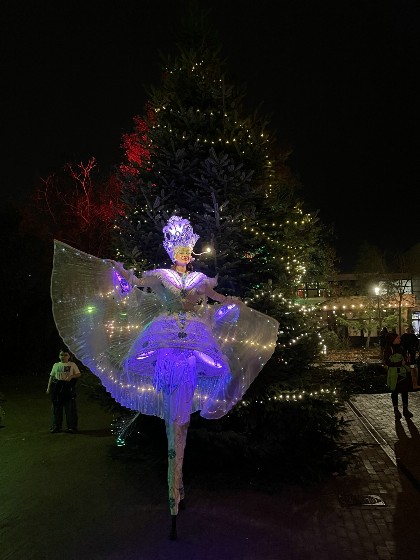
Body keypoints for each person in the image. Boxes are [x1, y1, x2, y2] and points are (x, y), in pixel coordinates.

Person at [50, 215, 279, 540]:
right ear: (172, 251)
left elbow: (220, 301)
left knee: (181, 419)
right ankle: (175, 488)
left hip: (196, 343)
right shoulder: (160, 276)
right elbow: (135, 282)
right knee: (176, 418)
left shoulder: (201, 279)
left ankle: (177, 486)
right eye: (179, 249)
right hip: (163, 341)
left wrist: (233, 305)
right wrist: (119, 273)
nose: (183, 254)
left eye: (187, 250)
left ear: (191, 252)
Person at [46, 349, 81, 433]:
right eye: (61, 355)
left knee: (70, 408)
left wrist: (71, 376)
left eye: (65, 355)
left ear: (69, 356)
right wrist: (48, 388)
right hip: (57, 388)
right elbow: (51, 377)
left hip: (68, 388)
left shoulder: (72, 364)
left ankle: (72, 427)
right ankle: (56, 426)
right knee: (56, 408)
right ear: (59, 356)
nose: (63, 357)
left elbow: (78, 374)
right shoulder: (56, 365)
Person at [383, 332, 413, 419]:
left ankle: (405, 410)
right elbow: (387, 362)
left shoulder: (401, 347)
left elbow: (405, 358)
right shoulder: (389, 349)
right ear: (393, 339)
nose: (399, 339)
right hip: (394, 374)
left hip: (403, 373)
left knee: (405, 391)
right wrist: (400, 363)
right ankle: (396, 410)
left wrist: (407, 360)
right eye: (397, 338)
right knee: (395, 392)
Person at [400, 325, 420, 390]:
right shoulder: (404, 336)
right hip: (406, 348)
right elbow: (402, 341)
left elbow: (416, 342)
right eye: (407, 330)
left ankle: (411, 364)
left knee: (412, 357)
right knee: (406, 356)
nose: (408, 331)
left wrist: (414, 347)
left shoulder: (412, 336)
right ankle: (408, 364)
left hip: (411, 348)